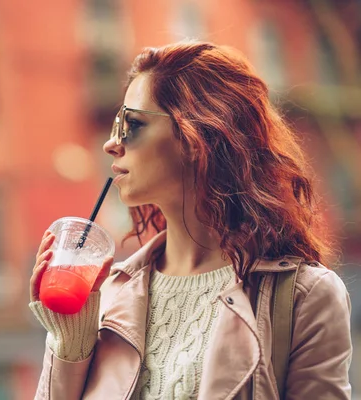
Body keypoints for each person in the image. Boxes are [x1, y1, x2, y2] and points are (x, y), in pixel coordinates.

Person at [28, 41, 352, 400]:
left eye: (131, 125)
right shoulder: (105, 297)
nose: (110, 144)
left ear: (198, 136)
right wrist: (70, 344)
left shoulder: (302, 297)